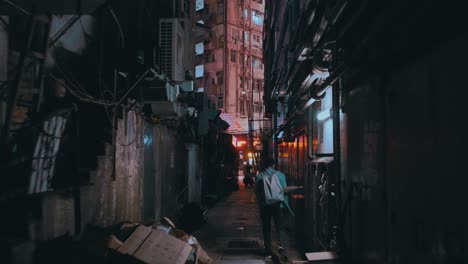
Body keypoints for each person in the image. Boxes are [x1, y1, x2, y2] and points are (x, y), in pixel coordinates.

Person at [255, 157, 289, 259]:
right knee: (281, 228)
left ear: (264, 166)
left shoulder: (260, 176)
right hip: (278, 205)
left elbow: (257, 193)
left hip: (265, 206)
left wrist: (260, 204)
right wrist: (285, 204)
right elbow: (284, 191)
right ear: (274, 165)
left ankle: (268, 251)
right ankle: (284, 250)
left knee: (266, 228)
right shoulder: (280, 175)